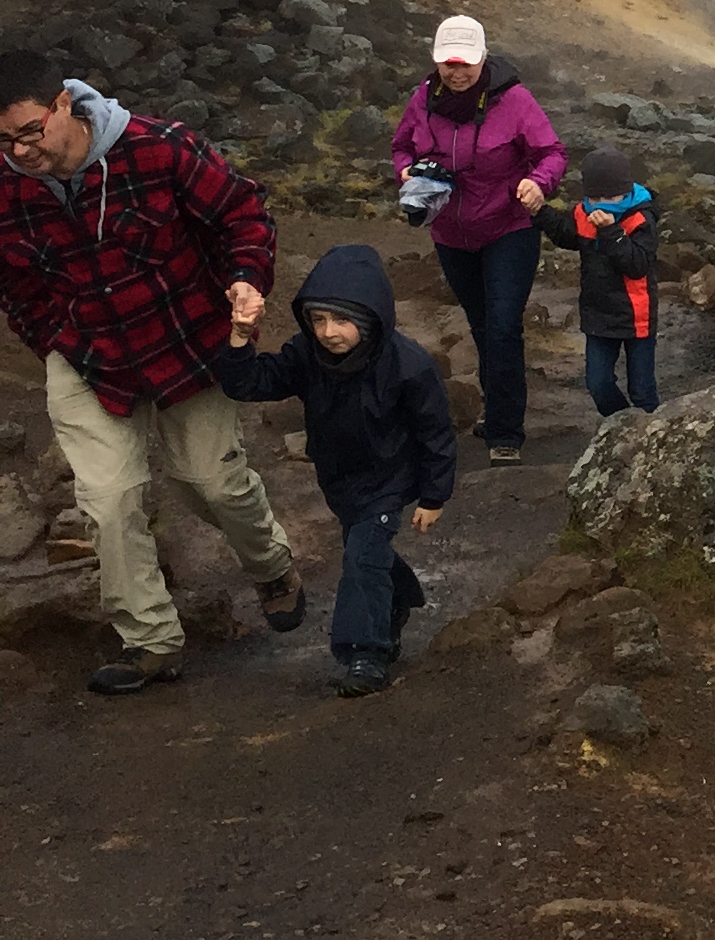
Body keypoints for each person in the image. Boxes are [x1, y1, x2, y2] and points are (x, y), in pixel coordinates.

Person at [0, 58, 296, 694]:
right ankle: (149, 640)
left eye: (28, 132)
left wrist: (246, 279)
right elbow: (17, 286)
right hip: (86, 356)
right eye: (4, 143)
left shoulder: (159, 149)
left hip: (186, 339)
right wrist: (52, 341)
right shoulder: (6, 192)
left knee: (211, 485)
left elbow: (244, 214)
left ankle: (272, 566)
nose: (20, 152)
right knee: (108, 502)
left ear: (62, 105)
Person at [208, 245, 455, 695]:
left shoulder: (408, 364)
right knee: (369, 558)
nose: (328, 332)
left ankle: (365, 653)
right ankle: (399, 596)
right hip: (339, 480)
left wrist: (434, 495)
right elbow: (250, 383)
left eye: (342, 321)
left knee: (361, 557)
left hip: (388, 480)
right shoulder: (307, 356)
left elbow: (436, 432)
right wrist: (241, 337)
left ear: (371, 318)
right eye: (318, 320)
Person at [389, 16, 573, 467]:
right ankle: (495, 414)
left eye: (465, 64)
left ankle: (506, 433)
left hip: (509, 227)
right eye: (448, 64)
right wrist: (407, 172)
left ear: (483, 59)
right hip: (451, 233)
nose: (457, 72)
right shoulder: (423, 99)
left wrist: (538, 182)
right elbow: (401, 147)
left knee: (504, 325)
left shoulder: (514, 100)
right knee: (481, 325)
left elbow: (553, 153)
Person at [559, 176, 671, 422]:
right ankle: (625, 428)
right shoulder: (582, 213)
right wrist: (538, 212)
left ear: (625, 192)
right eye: (595, 198)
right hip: (598, 317)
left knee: (642, 392)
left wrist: (611, 231)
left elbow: (637, 265)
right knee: (598, 384)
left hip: (636, 318)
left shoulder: (641, 218)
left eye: (610, 198)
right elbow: (564, 234)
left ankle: (652, 436)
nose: (601, 205)